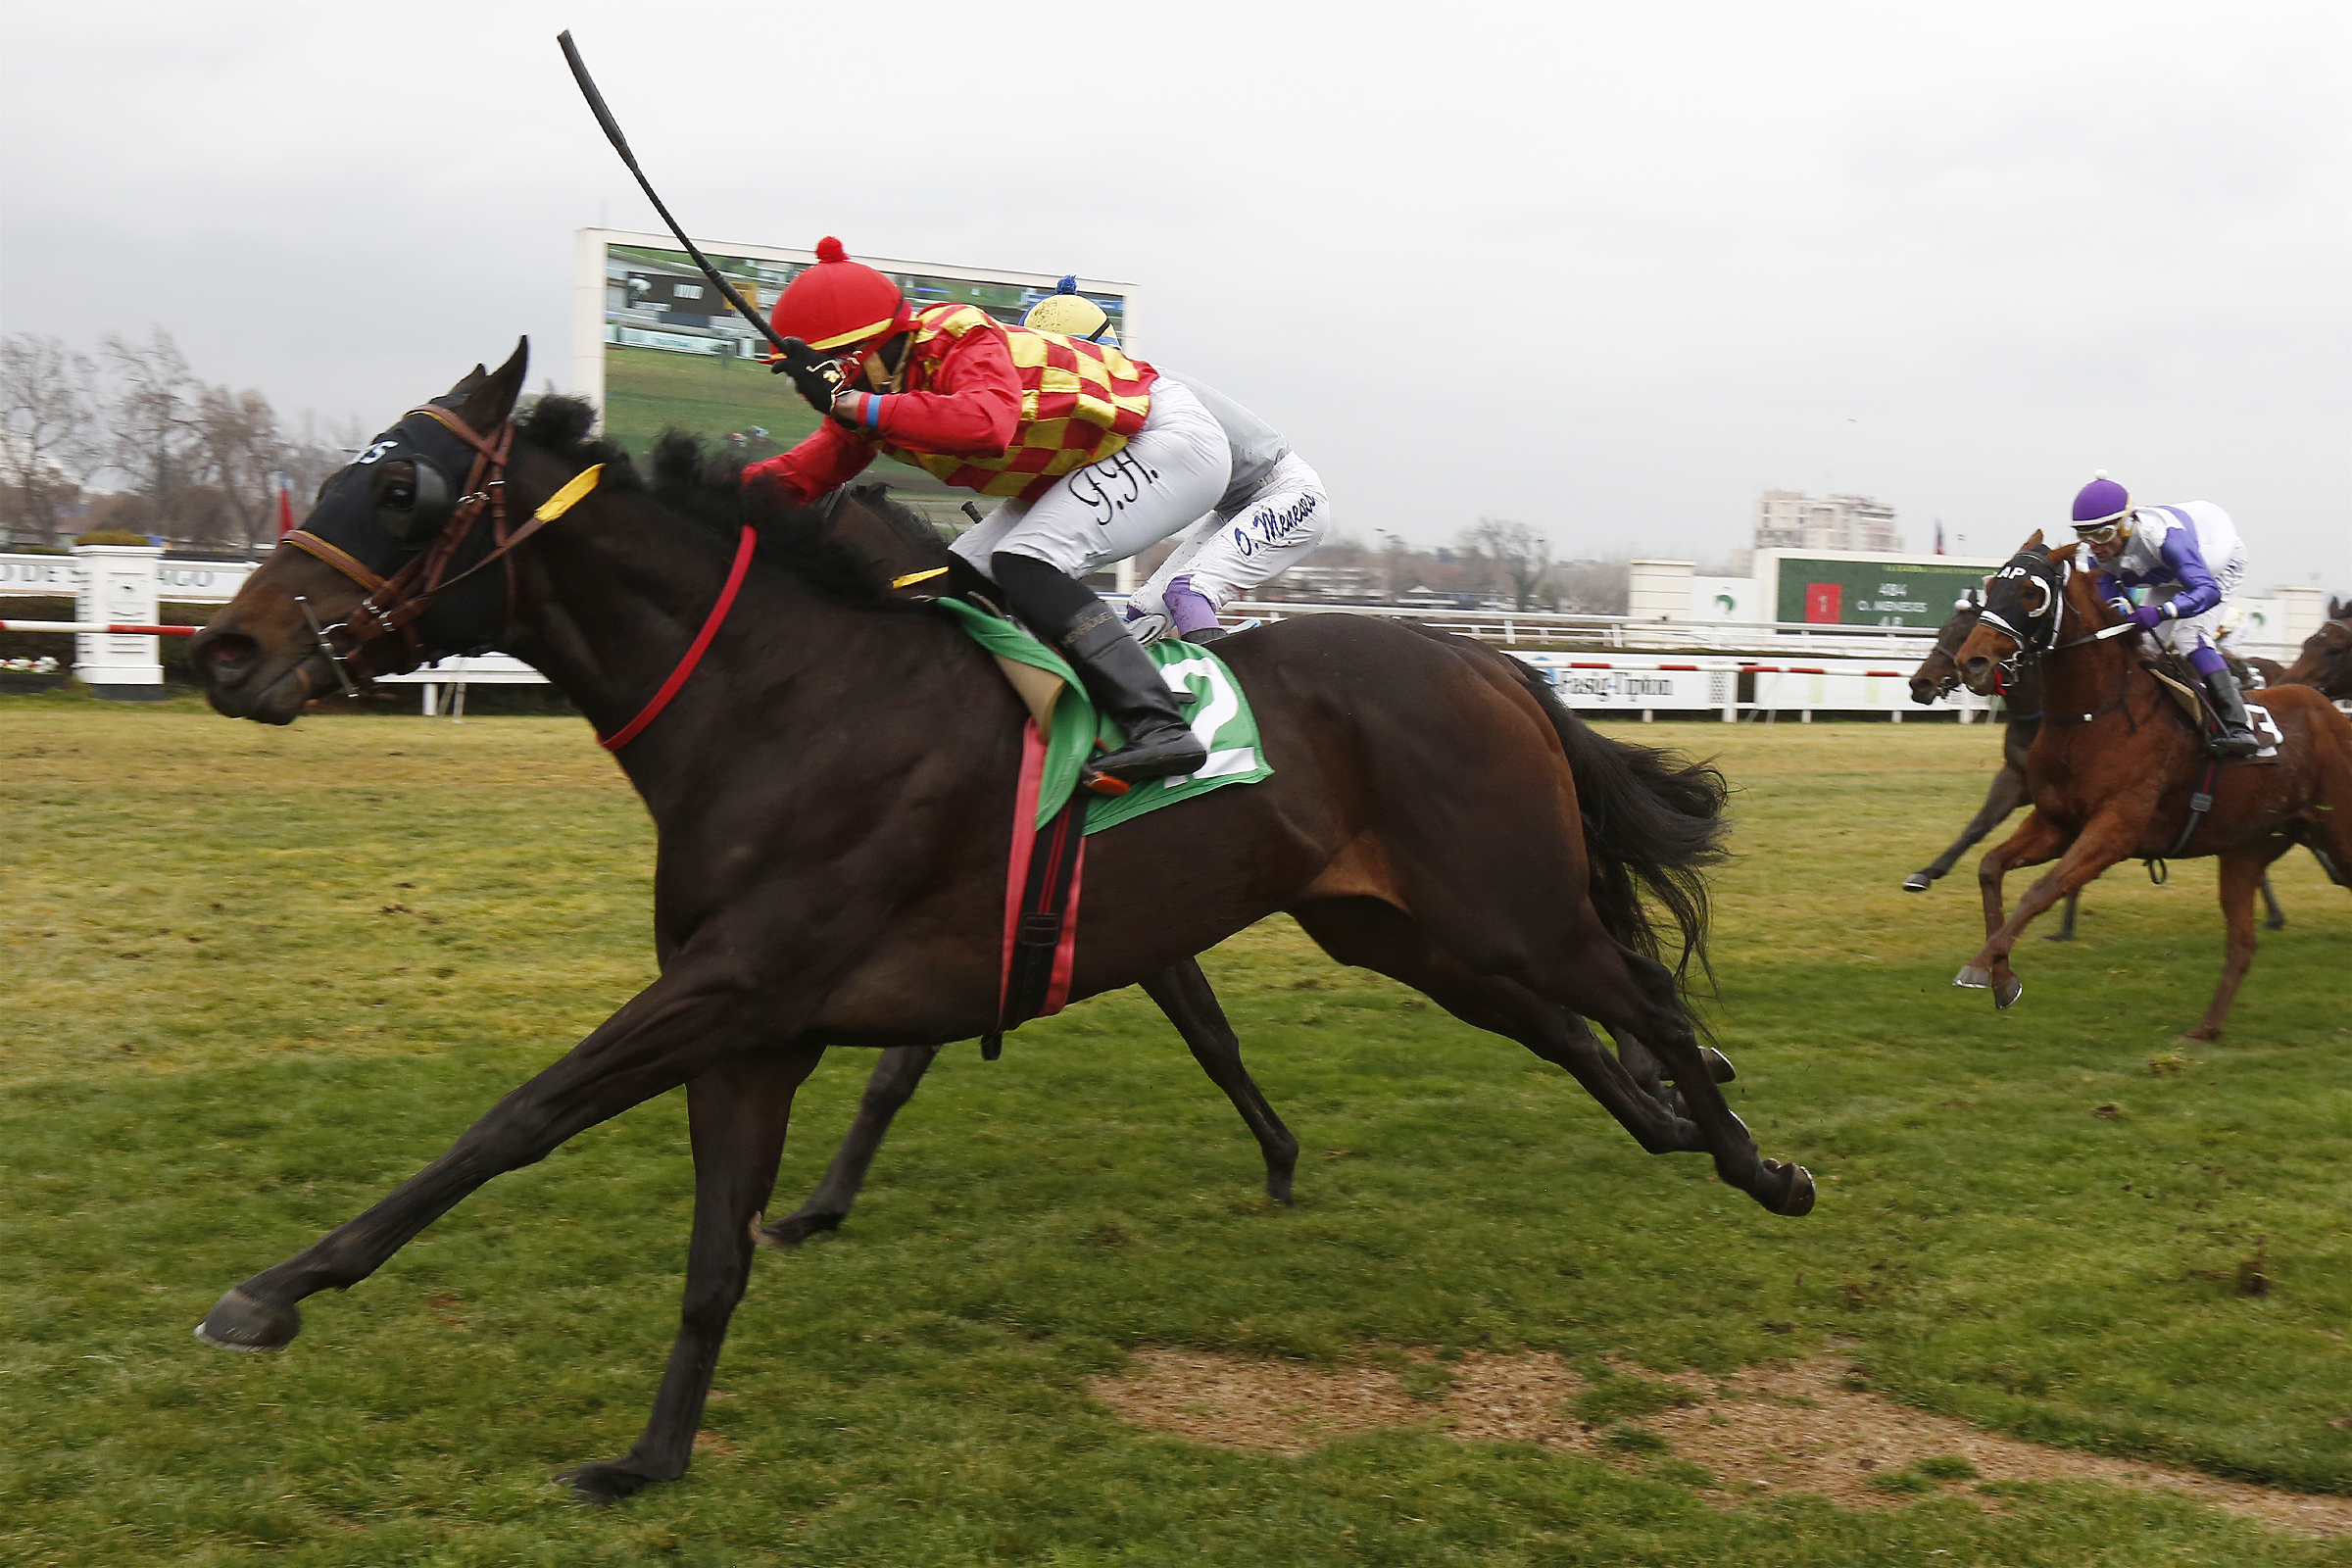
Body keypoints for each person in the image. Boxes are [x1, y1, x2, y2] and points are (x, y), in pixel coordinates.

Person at [743, 240, 1222, 785]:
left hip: (1165, 438)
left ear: (857, 359)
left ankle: (1160, 725)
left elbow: (985, 424)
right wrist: (700, 495)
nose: (808, 392)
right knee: (960, 582)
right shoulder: (874, 399)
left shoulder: (957, 334)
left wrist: (853, 403)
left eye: (813, 376)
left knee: (1023, 562)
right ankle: (1046, 713)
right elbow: (801, 475)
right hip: (1101, 453)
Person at [1023, 279, 1327, 646]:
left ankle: (1224, 677)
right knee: (1143, 614)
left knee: (1188, 593)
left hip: (1288, 495)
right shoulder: (1113, 393)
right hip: (1237, 506)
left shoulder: (1133, 395)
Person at [2069, 470, 2259, 758]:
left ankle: (2237, 725)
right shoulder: (2094, 555)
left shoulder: (2162, 539)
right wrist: (2120, 613)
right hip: (2166, 573)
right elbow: (2107, 600)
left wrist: (2162, 612)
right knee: (2142, 646)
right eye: (2085, 536)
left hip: (2212, 567)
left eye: (2103, 534)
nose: (2095, 545)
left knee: (2190, 638)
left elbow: (2206, 591)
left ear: (2125, 525)